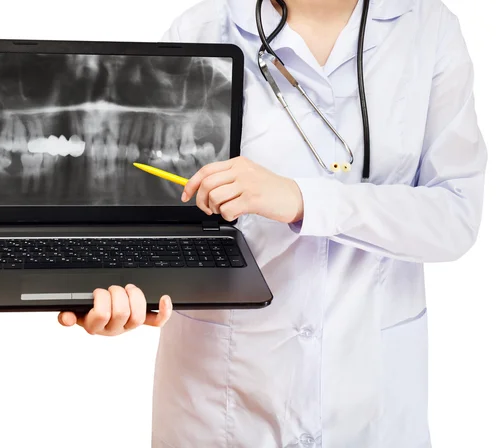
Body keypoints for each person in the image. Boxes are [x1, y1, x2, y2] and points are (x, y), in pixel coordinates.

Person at [58, 0, 487, 446]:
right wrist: (124, 288)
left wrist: (302, 199)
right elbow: (158, 201)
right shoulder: (203, 29)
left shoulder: (429, 30)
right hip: (219, 409)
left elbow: (455, 216)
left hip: (372, 408)